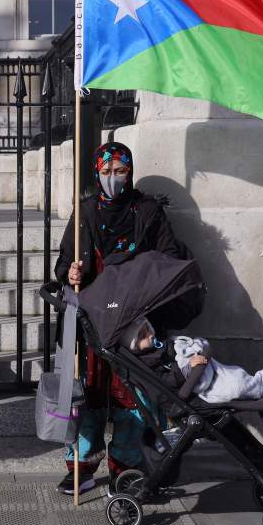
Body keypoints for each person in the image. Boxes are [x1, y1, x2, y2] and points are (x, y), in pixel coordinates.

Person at [53, 141, 184, 496]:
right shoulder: (85, 213)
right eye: (107, 172)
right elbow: (62, 265)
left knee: (132, 394)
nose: (114, 178)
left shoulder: (147, 211)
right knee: (90, 394)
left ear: (131, 172)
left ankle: (125, 468)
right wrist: (73, 275)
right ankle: (81, 466)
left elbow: (170, 258)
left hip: (134, 322)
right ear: (97, 173)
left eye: (121, 171)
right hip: (93, 321)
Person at [126, 318, 263, 421]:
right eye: (142, 336)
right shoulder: (148, 364)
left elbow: (178, 347)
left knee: (236, 374)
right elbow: (167, 380)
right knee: (235, 386)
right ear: (134, 348)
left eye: (147, 328)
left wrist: (189, 348)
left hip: (210, 371)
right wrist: (187, 368)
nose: (149, 335)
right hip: (198, 385)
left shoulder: (161, 344)